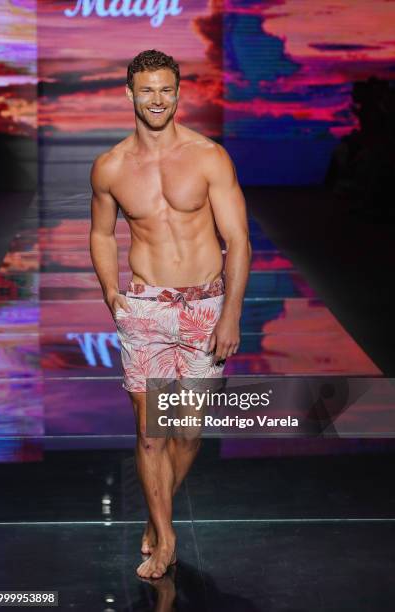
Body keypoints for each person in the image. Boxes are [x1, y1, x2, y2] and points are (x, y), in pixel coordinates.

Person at [89, 49, 252, 579]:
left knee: (188, 430)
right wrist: (113, 292)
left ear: (178, 93)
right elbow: (100, 232)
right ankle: (165, 535)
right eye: (146, 90)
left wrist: (230, 314)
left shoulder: (209, 157)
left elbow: (239, 240)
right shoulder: (111, 167)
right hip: (146, 309)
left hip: (205, 306)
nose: (156, 99)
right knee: (149, 432)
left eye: (166, 89)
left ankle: (155, 516)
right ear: (129, 93)